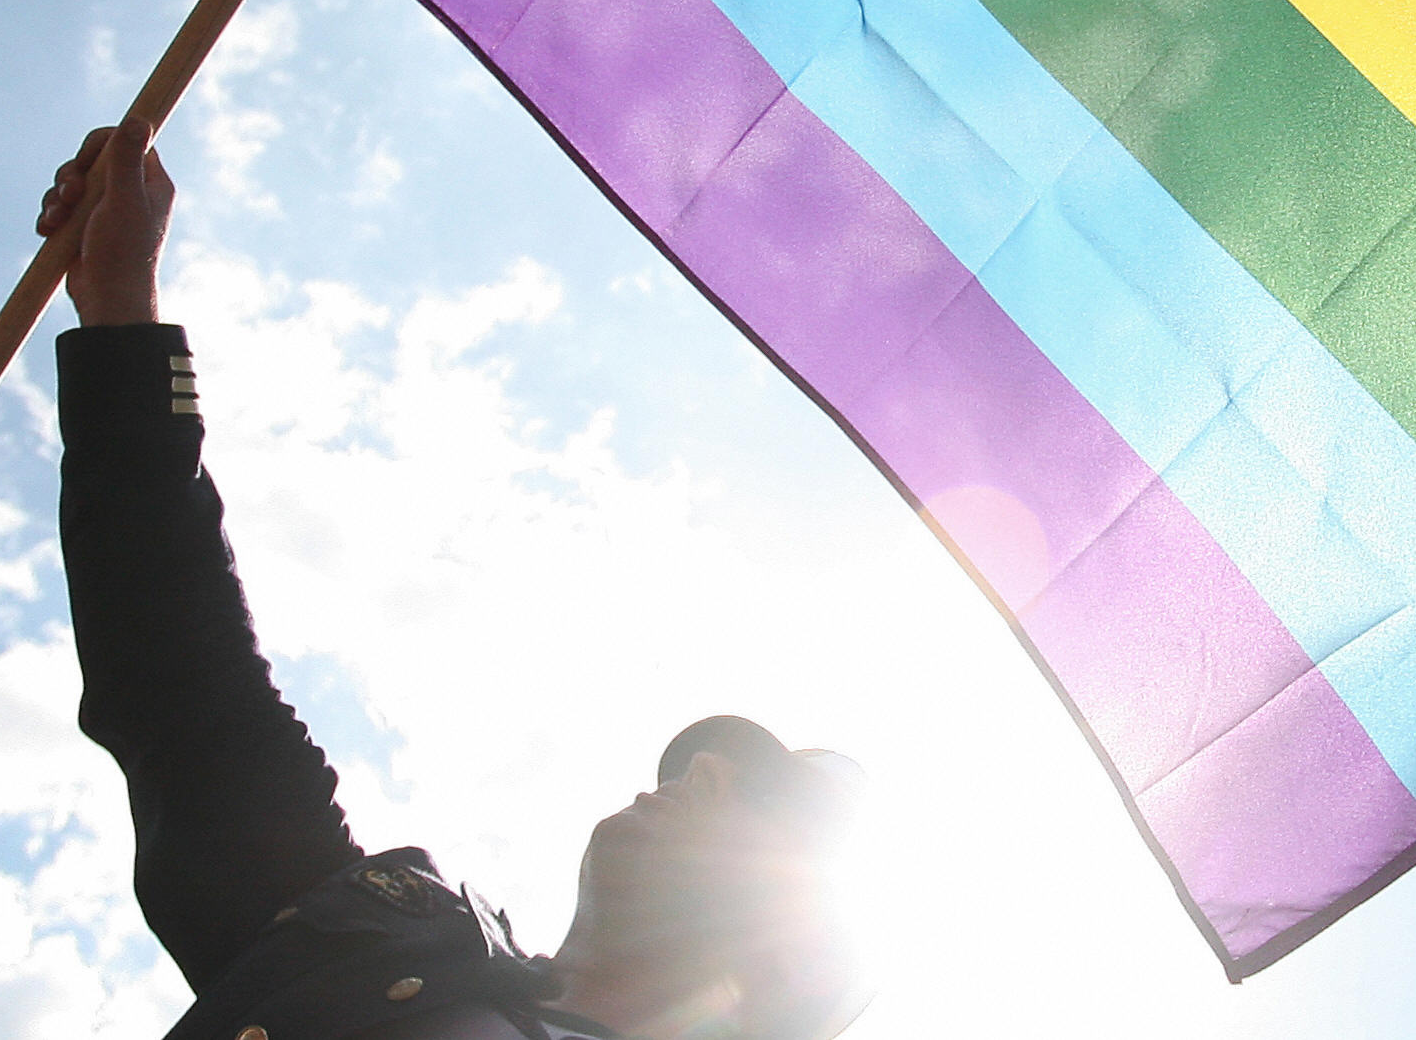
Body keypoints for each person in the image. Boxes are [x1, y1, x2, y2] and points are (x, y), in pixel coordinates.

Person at [42, 124, 870, 1040]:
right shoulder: (384, 938)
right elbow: (192, 695)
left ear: (800, 962)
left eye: (768, 804)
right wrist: (121, 312)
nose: (706, 765)